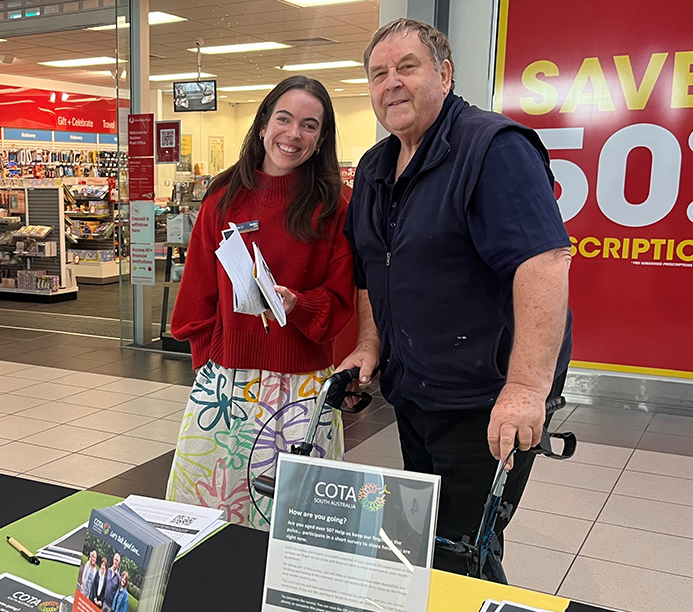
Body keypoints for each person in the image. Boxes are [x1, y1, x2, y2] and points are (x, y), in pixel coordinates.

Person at [339, 19, 572, 573]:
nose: (391, 83)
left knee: (464, 552)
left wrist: (525, 388)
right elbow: (371, 267)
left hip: (484, 401)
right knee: (426, 543)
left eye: (407, 67)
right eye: (378, 74)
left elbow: (543, 264)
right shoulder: (375, 166)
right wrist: (371, 345)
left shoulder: (493, 149)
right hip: (415, 393)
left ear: (444, 74)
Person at [166, 75, 356, 530]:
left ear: (322, 138)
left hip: (302, 390)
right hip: (226, 384)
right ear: (264, 123)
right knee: (204, 518)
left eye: (309, 125)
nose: (293, 134)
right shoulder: (223, 198)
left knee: (298, 526)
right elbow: (196, 298)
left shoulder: (337, 205)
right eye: (284, 119)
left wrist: (297, 304)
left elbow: (339, 301)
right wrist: (214, 362)